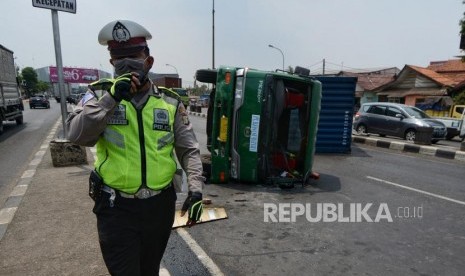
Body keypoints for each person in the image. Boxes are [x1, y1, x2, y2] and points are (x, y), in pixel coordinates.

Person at [66, 19, 205, 276]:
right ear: (111, 63)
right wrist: (112, 99)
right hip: (115, 207)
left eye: (133, 56)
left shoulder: (170, 102)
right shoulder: (97, 96)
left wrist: (195, 191)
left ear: (148, 61)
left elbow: (189, 150)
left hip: (160, 206)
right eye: (118, 57)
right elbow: (77, 136)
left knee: (149, 270)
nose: (125, 62)